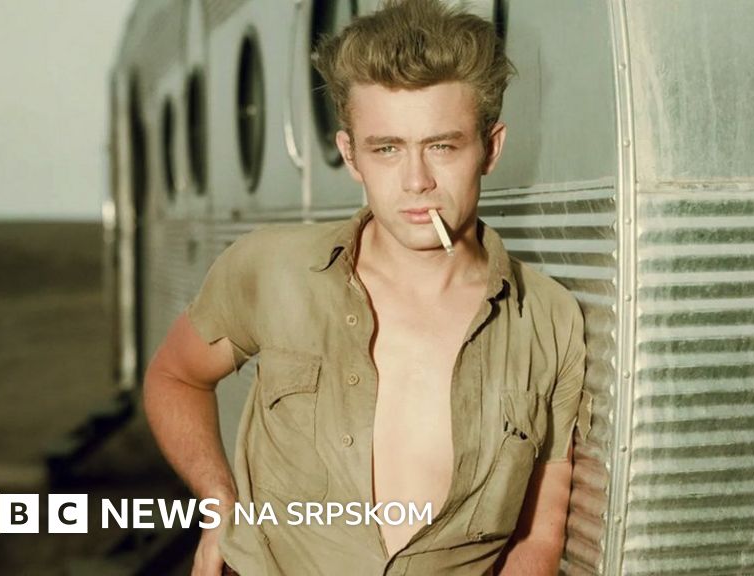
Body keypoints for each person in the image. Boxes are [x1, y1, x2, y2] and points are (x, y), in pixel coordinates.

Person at [143, 0, 589, 574]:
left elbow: (537, 538)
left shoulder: (548, 320)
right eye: (387, 149)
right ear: (351, 156)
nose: (416, 181)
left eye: (442, 146)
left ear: (491, 149)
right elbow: (175, 377)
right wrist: (218, 502)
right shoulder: (270, 268)